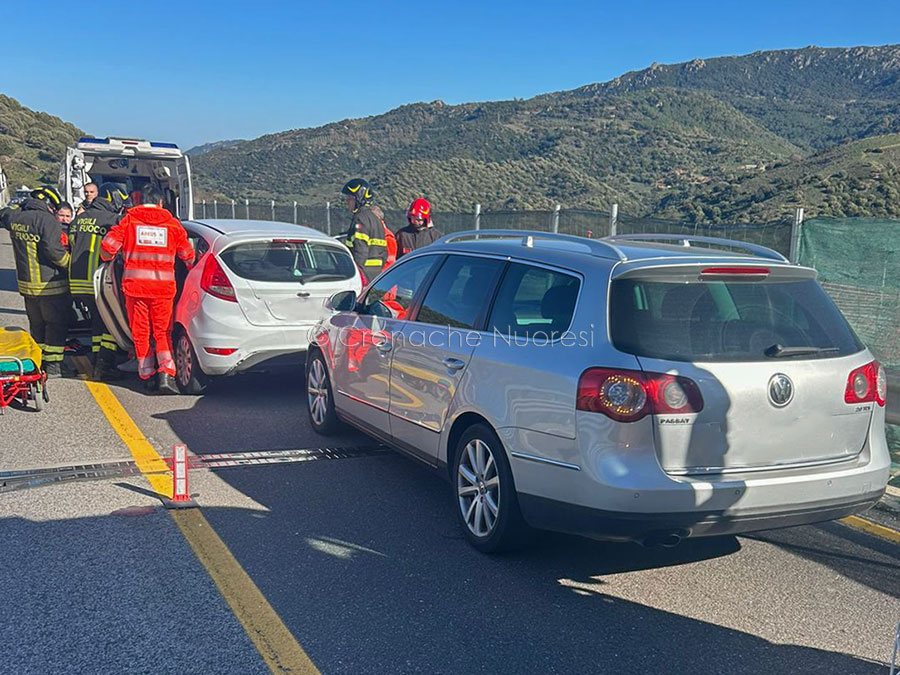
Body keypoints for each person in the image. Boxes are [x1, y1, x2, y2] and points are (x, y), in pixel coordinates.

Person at [100, 186, 194, 394]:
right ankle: (166, 374)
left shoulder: (129, 221)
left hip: (135, 289)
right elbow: (188, 255)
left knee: (141, 333)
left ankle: (147, 375)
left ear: (139, 201)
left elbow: (107, 249)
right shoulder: (172, 225)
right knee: (162, 332)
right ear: (161, 203)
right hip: (163, 289)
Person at [0, 187, 72, 377]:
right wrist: (72, 266)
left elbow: (4, 213)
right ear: (48, 204)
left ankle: (37, 363)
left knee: (37, 326)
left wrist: (19, 205)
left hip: (26, 287)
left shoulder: (16, 218)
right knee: (55, 325)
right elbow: (54, 252)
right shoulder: (47, 220)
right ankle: (54, 367)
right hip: (50, 286)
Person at [69, 183, 127, 380]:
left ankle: (96, 360)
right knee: (108, 325)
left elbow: (70, 244)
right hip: (98, 282)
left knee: (97, 322)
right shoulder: (112, 220)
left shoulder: (79, 219)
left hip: (76, 281)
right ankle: (104, 366)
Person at [341, 178, 388, 283]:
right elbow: (384, 253)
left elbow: (360, 250)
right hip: (376, 276)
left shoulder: (360, 218)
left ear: (358, 198)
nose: (347, 202)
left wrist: (357, 275)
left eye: (350, 198)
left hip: (363, 276)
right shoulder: (376, 219)